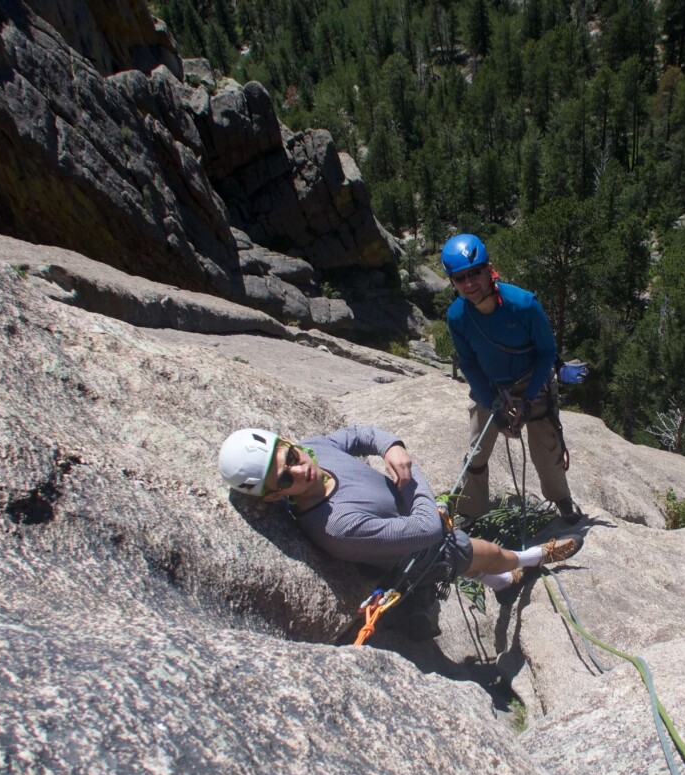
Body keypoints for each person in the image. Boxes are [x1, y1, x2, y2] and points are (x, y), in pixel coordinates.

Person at [217, 425, 578, 636]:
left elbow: (359, 433)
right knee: (488, 553)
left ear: (288, 443)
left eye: (291, 458)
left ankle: (499, 584)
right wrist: (413, 478)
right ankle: (533, 559)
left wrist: (392, 447)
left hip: (411, 527)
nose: (299, 470)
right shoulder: (335, 525)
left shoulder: (316, 449)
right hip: (424, 554)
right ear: (274, 495)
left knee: (476, 566)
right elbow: (427, 529)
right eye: (285, 479)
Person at [441, 233, 581, 524]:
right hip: (491, 385)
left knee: (547, 451)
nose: (469, 283)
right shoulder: (457, 317)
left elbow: (547, 352)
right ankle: (471, 512)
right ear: (453, 282)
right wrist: (493, 404)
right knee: (477, 452)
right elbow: (468, 363)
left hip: (532, 381)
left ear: (488, 269)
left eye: (474, 273)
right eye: (460, 278)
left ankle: (562, 500)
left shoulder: (524, 304)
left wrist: (528, 400)